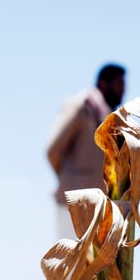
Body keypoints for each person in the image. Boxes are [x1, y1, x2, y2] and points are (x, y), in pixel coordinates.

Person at [46, 63, 126, 239]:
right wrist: (73, 180)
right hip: (74, 207)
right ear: (103, 83)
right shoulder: (82, 106)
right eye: (119, 84)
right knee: (74, 256)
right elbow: (54, 150)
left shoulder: (111, 119)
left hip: (101, 209)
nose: (123, 90)